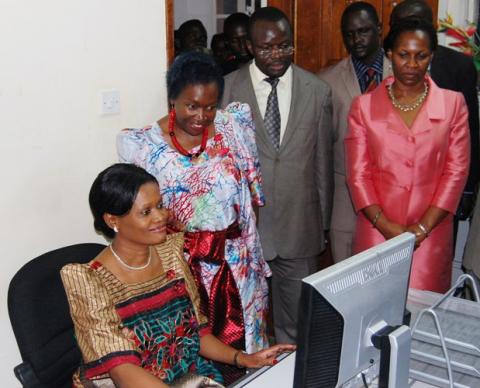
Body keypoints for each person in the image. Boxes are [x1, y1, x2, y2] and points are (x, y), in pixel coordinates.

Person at [61, 164, 294, 387]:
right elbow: (122, 370)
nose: (161, 216)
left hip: (189, 378)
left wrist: (243, 358)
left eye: (160, 205)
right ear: (113, 220)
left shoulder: (170, 253)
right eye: (146, 212)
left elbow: (197, 334)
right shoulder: (89, 280)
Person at [117, 51, 270, 383]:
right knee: (190, 353)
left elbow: (252, 194)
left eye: (210, 106)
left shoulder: (232, 127)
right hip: (181, 266)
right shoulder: (144, 147)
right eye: (191, 106)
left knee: (249, 349)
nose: (202, 116)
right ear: (173, 100)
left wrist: (248, 251)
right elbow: (140, 216)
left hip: (236, 264)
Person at [222, 7, 333, 344]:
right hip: (245, 229)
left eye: (285, 46)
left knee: (298, 324)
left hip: (300, 225)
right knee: (245, 325)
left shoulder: (317, 91)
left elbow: (322, 164)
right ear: (250, 47)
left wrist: (322, 223)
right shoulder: (226, 91)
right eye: (267, 47)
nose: (277, 55)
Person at [345, 17, 470, 293]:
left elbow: (456, 172)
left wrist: (422, 229)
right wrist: (386, 226)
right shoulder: (364, 107)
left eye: (421, 56)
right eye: (404, 55)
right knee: (371, 314)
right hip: (377, 232)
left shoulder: (452, 104)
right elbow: (358, 176)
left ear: (432, 57)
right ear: (389, 54)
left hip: (430, 236)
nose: (412, 65)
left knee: (422, 318)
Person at [390, 0, 479, 224]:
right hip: (390, 193)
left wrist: (467, 190)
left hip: (442, 194)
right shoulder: (385, 65)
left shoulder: (459, 66)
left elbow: (471, 133)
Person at [319, 2, 390, 263]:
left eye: (364, 31)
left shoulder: (403, 74)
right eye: (349, 34)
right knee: (346, 281)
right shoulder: (327, 81)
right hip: (344, 199)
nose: (356, 39)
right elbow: (323, 147)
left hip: (393, 195)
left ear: (379, 30)